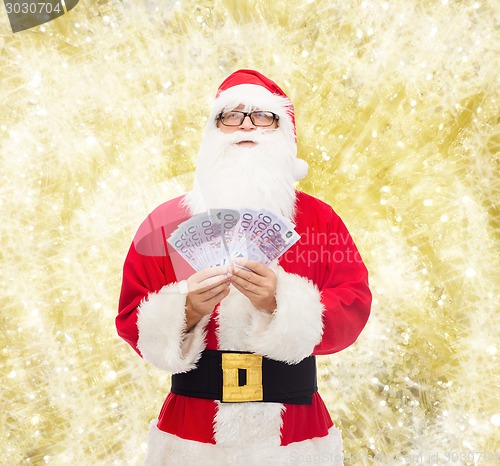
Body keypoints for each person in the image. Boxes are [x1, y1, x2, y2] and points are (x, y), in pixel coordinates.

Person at [116, 69, 372, 465]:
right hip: (192, 432)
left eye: (262, 116)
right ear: (213, 131)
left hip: (294, 432)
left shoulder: (320, 221)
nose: (245, 125)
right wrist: (186, 310)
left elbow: (353, 306)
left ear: (284, 132)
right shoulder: (165, 222)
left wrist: (281, 302)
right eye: (231, 116)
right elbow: (130, 316)